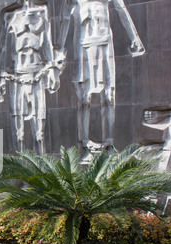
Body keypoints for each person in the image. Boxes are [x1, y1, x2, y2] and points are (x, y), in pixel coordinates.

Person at [58, 0, 145, 162]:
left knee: (109, 93)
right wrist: (60, 48)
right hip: (84, 42)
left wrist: (135, 37)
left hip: (105, 41)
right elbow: (65, 18)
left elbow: (122, 9)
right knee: (84, 96)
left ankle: (109, 143)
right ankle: (83, 143)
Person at [0, 0, 61, 154]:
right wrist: (0, 76)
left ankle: (42, 171)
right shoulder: (9, 14)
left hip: (37, 72)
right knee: (18, 133)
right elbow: (2, 46)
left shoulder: (42, 10)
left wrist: (52, 69)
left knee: (40, 133)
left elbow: (48, 42)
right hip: (17, 74)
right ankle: (20, 174)